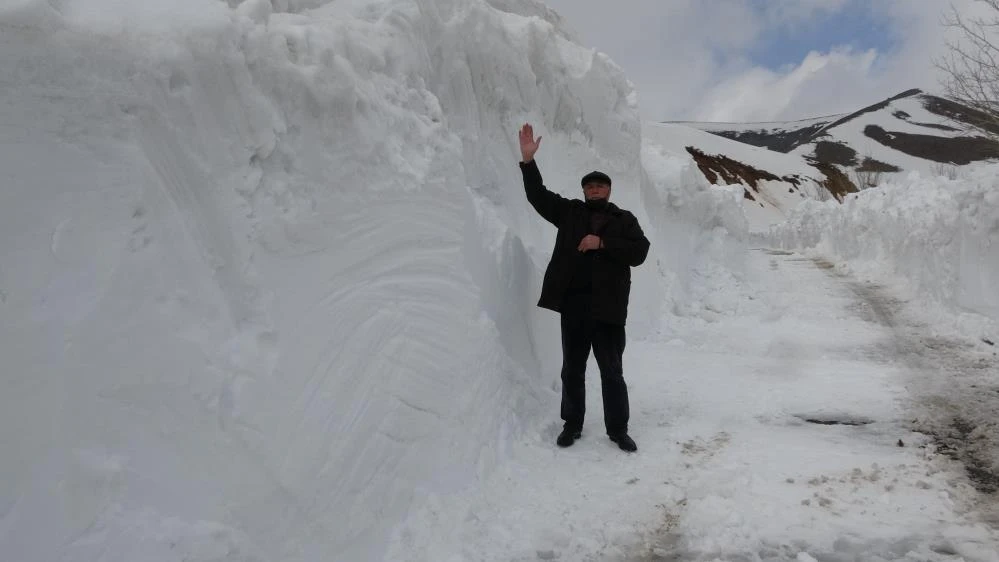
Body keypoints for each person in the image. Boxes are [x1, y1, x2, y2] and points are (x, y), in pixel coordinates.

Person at [517, 123, 650, 452]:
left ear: (609, 190)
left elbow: (640, 252)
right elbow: (538, 196)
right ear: (584, 191)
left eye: (600, 185)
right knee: (572, 371)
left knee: (612, 372)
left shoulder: (624, 220)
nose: (594, 189)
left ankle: (618, 429)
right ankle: (572, 425)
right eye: (589, 186)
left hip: (609, 310)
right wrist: (528, 161)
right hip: (575, 307)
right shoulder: (569, 212)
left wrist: (601, 242)